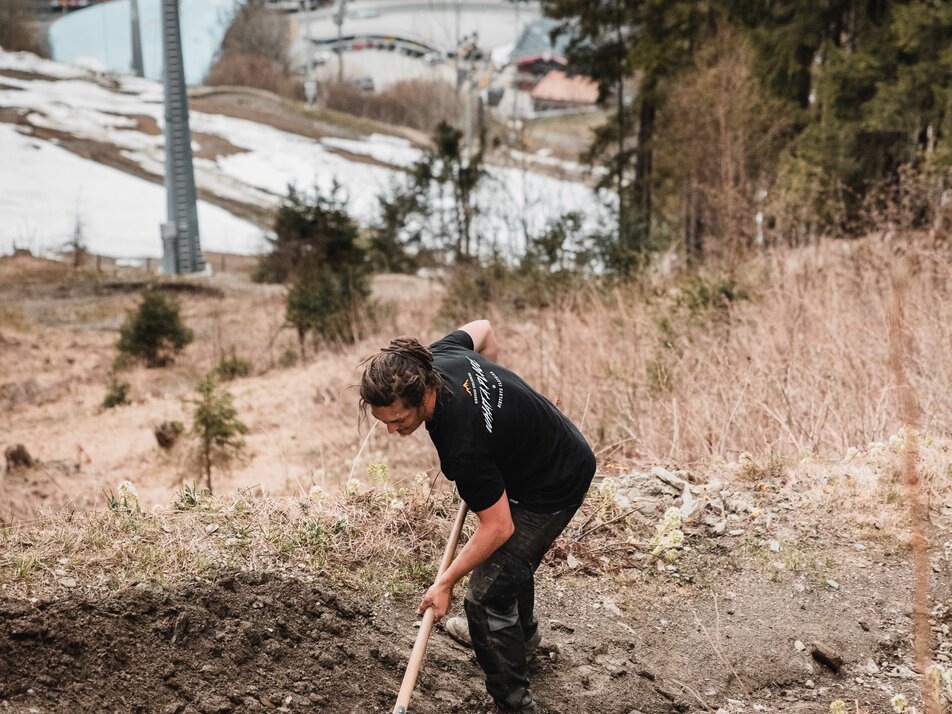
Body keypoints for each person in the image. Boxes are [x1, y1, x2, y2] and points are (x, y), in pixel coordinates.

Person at [359, 319, 596, 713]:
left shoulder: (462, 445)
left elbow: (499, 527)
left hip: (555, 482)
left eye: (399, 420)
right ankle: (523, 639)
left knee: (485, 598)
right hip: (553, 447)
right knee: (506, 569)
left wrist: (445, 582)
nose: (392, 430)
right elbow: (484, 329)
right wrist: (497, 428)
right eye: (384, 422)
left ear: (425, 393)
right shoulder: (433, 360)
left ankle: (514, 705)